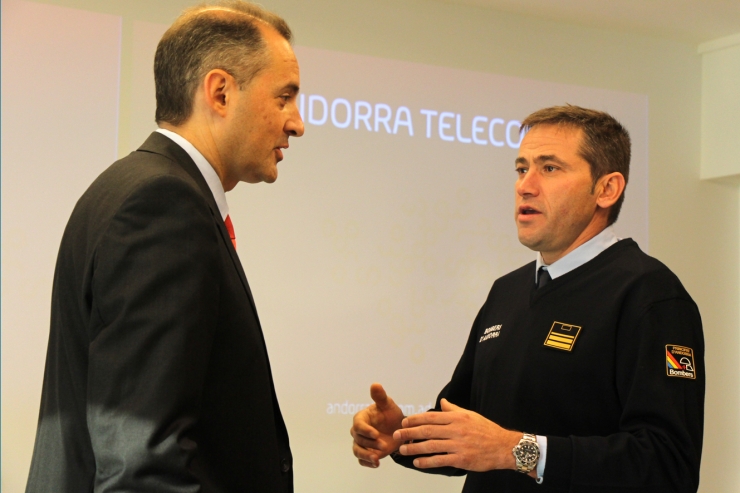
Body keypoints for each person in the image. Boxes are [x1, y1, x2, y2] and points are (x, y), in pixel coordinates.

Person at [351, 105, 704, 492]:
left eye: (549, 168)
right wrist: (400, 436)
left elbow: (668, 465)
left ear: (607, 189)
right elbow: (466, 434)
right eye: (522, 169)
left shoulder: (650, 295)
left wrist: (516, 451)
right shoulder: (507, 291)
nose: (525, 185)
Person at [25, 2, 304, 492]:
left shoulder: (128, 186)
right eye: (284, 97)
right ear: (220, 92)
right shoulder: (164, 203)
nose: (297, 123)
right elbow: (142, 462)